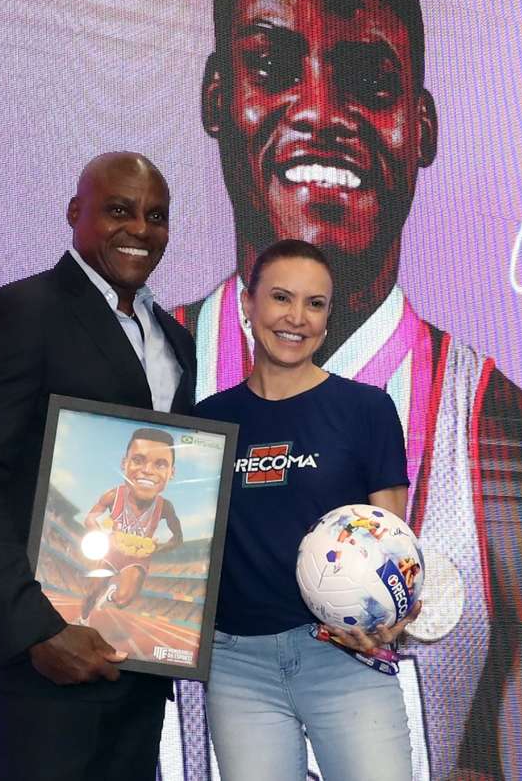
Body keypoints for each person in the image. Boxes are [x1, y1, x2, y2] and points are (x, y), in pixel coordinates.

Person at [173, 0, 522, 779]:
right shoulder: (134, 384)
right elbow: (8, 732)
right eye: (274, 64)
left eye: (370, 81)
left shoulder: (504, 442)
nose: (321, 110)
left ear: (423, 127)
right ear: (219, 97)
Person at [0, 152, 197, 781]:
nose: (140, 229)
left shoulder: (175, 339)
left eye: (156, 216)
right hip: (46, 661)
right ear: (76, 212)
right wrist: (35, 629)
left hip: (137, 655)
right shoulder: (23, 311)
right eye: (119, 210)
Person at [194, 238, 419, 781]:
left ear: (327, 316)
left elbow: (396, 546)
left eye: (314, 304)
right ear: (248, 304)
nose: (296, 318)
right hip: (238, 667)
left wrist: (397, 613)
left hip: (344, 656)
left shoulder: (367, 410)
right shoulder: (206, 422)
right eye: (281, 298)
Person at [79, 427, 185, 622]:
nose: (148, 470)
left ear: (172, 472)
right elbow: (90, 519)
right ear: (124, 463)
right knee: (91, 592)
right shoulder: (114, 495)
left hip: (137, 556)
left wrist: (156, 549)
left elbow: (178, 538)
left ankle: (110, 595)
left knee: (122, 600)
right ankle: (82, 620)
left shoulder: (165, 507)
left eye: (161, 464)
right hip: (113, 549)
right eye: (138, 460)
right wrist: (105, 538)